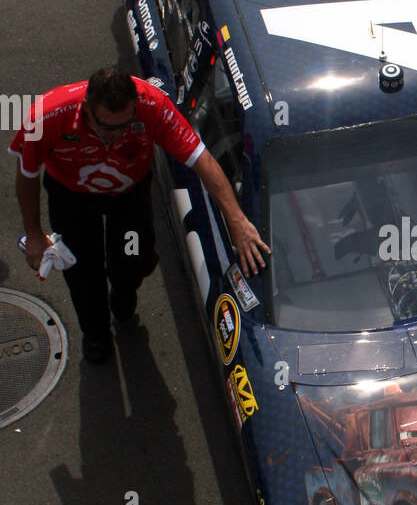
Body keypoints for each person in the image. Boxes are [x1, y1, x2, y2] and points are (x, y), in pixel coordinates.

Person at [10, 69, 269, 364]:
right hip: (73, 200)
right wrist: (33, 233)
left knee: (135, 257)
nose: (117, 135)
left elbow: (202, 160)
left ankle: (123, 293)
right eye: (107, 128)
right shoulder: (47, 114)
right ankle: (96, 335)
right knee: (83, 273)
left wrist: (237, 220)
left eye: (125, 126)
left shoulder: (153, 105)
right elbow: (27, 174)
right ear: (85, 109)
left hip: (127, 198)